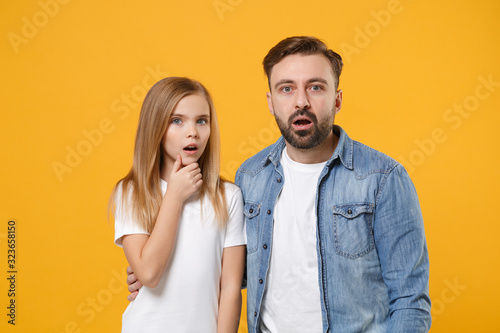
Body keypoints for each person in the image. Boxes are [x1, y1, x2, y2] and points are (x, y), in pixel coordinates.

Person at [128, 37, 432, 332]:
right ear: (271, 103)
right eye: (286, 89)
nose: (301, 101)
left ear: (337, 99)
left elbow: (410, 301)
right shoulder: (251, 177)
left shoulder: (383, 178)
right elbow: (230, 269)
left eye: (315, 87)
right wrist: (160, 274)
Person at [110, 77, 246, 333]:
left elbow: (230, 289)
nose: (192, 131)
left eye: (201, 120)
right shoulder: (131, 192)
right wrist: (174, 196)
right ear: (155, 128)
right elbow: (149, 273)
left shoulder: (229, 197)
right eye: (177, 121)